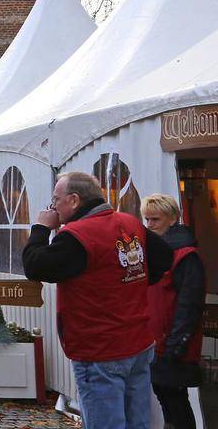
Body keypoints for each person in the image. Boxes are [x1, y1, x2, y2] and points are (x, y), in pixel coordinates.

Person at [23, 171, 171, 429]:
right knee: (138, 422)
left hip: (99, 349)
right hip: (137, 342)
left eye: (56, 200)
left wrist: (40, 228)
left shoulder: (77, 236)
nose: (53, 206)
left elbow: (35, 266)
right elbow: (164, 257)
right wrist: (127, 286)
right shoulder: (131, 223)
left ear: (74, 200)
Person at [142, 193, 204, 429]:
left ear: (172, 219)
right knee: (167, 398)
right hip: (156, 340)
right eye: (147, 220)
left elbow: (190, 304)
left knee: (175, 400)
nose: (150, 225)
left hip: (173, 342)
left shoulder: (186, 255)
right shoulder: (155, 252)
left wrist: (175, 345)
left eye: (155, 219)